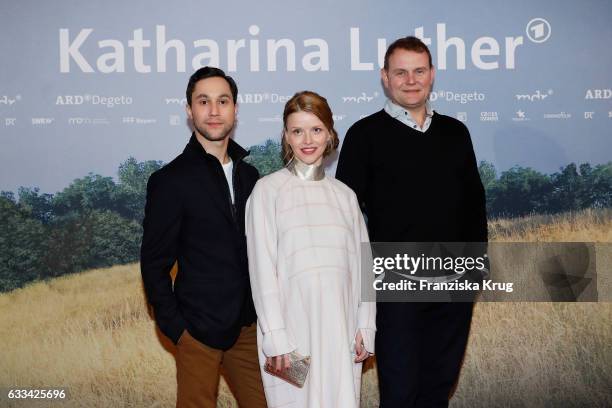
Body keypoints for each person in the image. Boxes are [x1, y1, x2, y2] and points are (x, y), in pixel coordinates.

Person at [336, 36, 488, 407]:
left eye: (419, 71)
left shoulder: (456, 132)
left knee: (439, 386)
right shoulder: (364, 134)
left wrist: (474, 268)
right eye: (400, 72)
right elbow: (345, 216)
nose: (411, 80)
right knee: (400, 390)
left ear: (432, 74)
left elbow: (473, 203)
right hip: (395, 285)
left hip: (453, 279)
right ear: (385, 77)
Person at [140, 66, 266, 408]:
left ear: (235, 110)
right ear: (189, 110)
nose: (214, 110)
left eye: (223, 101)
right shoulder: (169, 180)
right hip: (196, 330)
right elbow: (154, 262)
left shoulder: (251, 176)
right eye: (204, 101)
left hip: (248, 329)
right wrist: (177, 328)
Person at [245, 91, 376, 408]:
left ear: (330, 134)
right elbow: (262, 271)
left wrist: (366, 326)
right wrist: (276, 337)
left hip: (342, 333)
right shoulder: (267, 191)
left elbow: (363, 268)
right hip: (290, 338)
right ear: (285, 136)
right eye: (297, 130)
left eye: (316, 129)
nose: (307, 139)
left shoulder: (344, 195)